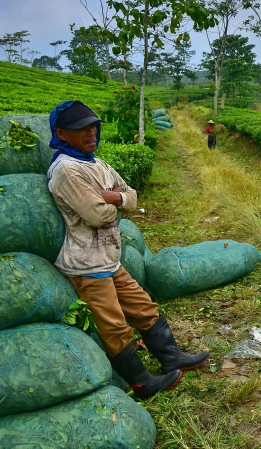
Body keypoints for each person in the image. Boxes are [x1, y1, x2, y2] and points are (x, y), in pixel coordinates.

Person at [47, 101, 210, 399]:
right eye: (80, 129)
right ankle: (141, 382)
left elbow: (132, 195)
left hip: (108, 257)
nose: (90, 132)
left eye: (93, 126)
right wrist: (118, 202)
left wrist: (117, 198)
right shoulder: (67, 171)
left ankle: (171, 357)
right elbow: (96, 215)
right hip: (86, 265)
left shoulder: (95, 163)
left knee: (143, 308)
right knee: (113, 326)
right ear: (61, 133)